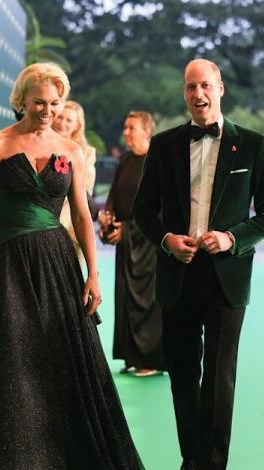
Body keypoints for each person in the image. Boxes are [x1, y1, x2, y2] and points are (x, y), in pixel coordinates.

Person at [0, 62, 148, 470]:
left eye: (55, 103)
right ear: (21, 101)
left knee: (54, 360)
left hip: (55, 264)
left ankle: (58, 469)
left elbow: (85, 217)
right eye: (39, 103)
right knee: (6, 363)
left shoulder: (69, 150)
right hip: (2, 264)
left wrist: (93, 273)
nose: (48, 111)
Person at [133, 59, 264, 470]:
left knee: (218, 380)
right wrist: (165, 240)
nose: (197, 93)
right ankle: (191, 459)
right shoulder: (163, 145)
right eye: (189, 87)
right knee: (182, 375)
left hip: (226, 277)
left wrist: (234, 237)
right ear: (184, 93)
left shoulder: (253, 144)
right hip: (178, 273)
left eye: (205, 85)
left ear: (220, 87)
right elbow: (144, 209)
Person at [99, 111, 165, 378]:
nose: (126, 132)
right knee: (125, 296)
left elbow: (160, 209)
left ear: (147, 131)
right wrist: (109, 221)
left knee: (147, 299)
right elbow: (114, 197)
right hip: (126, 241)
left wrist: (127, 229)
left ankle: (151, 359)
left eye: (132, 128)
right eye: (125, 127)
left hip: (148, 243)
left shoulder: (157, 163)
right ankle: (131, 356)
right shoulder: (125, 160)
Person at [53, 100, 98, 267]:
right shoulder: (40, 145)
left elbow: (84, 192)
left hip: (71, 230)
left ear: (77, 126)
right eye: (60, 117)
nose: (62, 123)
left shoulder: (86, 153)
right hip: (40, 227)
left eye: (69, 120)